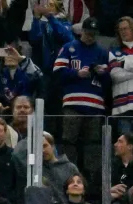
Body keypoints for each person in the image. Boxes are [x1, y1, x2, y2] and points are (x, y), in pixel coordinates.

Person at [54, 20, 108, 171]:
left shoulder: (102, 52)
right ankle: (68, 174)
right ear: (81, 31)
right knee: (69, 141)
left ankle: (90, 177)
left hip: (95, 105)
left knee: (92, 144)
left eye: (94, 34)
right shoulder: (68, 48)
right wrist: (77, 73)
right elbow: (57, 73)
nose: (91, 37)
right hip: (73, 103)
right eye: (88, 33)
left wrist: (102, 73)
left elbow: (109, 79)